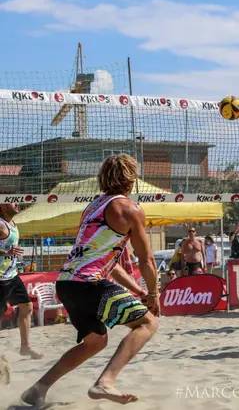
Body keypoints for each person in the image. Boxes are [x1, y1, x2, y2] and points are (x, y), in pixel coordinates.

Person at [21, 154, 160, 406]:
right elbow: (147, 260)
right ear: (132, 178)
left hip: (66, 283)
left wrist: (137, 290)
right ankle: (105, 382)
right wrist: (153, 293)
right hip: (88, 283)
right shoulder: (129, 209)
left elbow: (112, 263)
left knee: (95, 342)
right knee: (148, 323)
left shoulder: (94, 206)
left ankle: (38, 388)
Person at [0, 202, 43, 360]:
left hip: (11, 275)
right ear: (3, 207)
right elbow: (7, 250)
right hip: (0, 279)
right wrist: (6, 252)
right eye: (12, 201)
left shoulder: (12, 223)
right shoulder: (1, 225)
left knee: (27, 306)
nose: (17, 203)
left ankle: (25, 347)